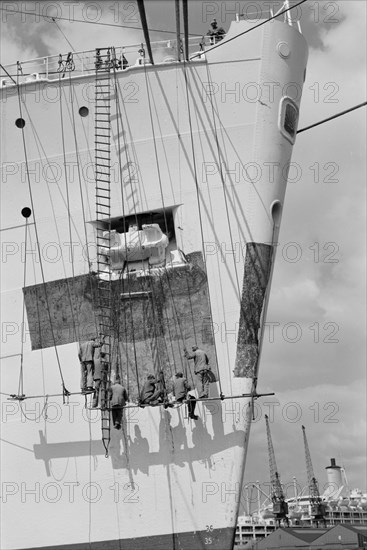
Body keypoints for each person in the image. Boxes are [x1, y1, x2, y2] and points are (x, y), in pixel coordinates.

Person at [92, 335, 108, 408]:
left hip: (96, 377)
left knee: (96, 390)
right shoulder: (104, 361)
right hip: (102, 376)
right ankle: (103, 404)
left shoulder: (95, 360)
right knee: (103, 390)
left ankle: (94, 403)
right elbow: (106, 369)